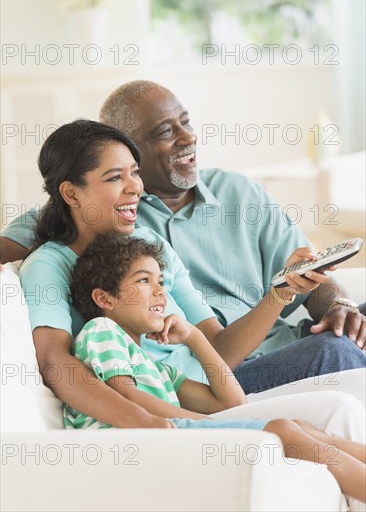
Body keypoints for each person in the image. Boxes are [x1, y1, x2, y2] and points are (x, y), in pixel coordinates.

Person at [1, 81, 365, 394]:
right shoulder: (107, 214)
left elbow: (313, 281)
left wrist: (341, 307)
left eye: (186, 123)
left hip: (283, 341)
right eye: (165, 131)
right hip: (225, 372)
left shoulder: (237, 193)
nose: (188, 138)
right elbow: (53, 223)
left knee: (348, 335)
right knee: (337, 351)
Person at [66, 232, 366, 505]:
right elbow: (127, 398)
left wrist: (195, 338)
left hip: (161, 437)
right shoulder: (101, 329)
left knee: (301, 426)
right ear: (104, 297)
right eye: (144, 281)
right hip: (131, 443)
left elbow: (232, 402)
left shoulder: (154, 367)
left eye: (160, 281)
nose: (160, 292)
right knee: (282, 429)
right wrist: (205, 423)